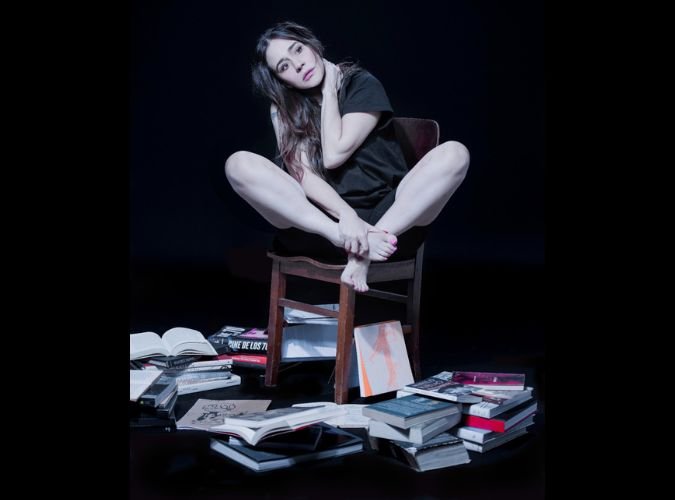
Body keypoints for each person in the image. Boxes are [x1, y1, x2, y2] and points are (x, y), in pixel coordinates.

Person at [225, 21, 469, 292]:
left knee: (455, 154)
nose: (298, 65)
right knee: (238, 164)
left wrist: (330, 92)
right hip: (322, 227)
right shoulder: (284, 107)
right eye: (284, 66)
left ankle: (366, 246)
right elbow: (304, 176)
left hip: (390, 224)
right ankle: (354, 243)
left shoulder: (360, 83)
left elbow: (334, 154)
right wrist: (345, 218)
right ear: (280, 80)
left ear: (311, 44)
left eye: (298, 50)